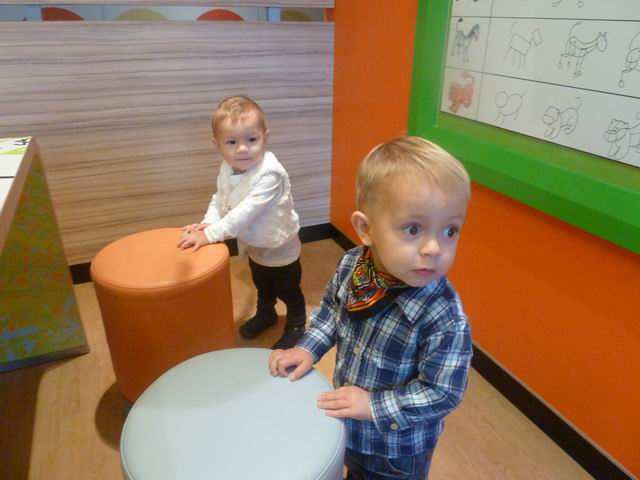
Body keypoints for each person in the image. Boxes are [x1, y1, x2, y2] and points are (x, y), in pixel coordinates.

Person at [269, 136, 473, 479]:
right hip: (349, 426)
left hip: (396, 451)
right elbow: (332, 313)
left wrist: (372, 405)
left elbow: (443, 392)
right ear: (366, 229)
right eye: (413, 229)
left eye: (450, 231)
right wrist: (307, 348)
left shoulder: (444, 317)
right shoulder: (354, 265)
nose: (434, 248)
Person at [177, 95, 306, 350]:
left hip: (280, 248)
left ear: (265, 137)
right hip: (255, 245)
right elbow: (220, 198)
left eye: (251, 139)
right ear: (217, 145)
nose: (243, 149)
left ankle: (297, 323)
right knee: (262, 284)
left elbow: (245, 213)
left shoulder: (270, 175)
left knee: (288, 289)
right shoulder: (228, 167)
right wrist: (207, 223)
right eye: (232, 142)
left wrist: (210, 235)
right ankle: (266, 313)